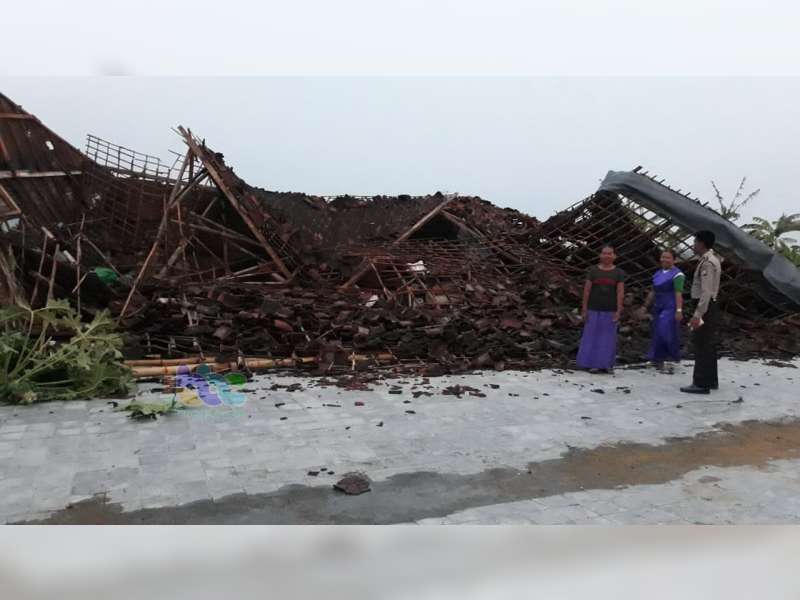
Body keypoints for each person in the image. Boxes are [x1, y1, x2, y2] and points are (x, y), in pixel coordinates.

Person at [680, 230, 722, 394]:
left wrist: (698, 315)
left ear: (702, 243)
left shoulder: (707, 263)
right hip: (709, 305)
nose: (693, 245)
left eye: (695, 242)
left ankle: (701, 383)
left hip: (705, 306)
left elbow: (706, 292)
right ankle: (710, 380)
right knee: (708, 345)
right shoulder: (712, 260)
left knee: (702, 344)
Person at [577, 245, 626, 373]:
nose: (606, 256)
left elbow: (620, 293)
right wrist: (584, 309)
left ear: (614, 256)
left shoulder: (619, 273)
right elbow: (587, 291)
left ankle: (605, 364)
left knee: (607, 339)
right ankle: (589, 363)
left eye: (609, 253)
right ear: (600, 255)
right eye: (604, 253)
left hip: (610, 310)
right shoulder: (593, 271)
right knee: (591, 336)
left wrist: (618, 310)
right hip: (593, 309)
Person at [643, 249, 685, 370]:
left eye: (668, 257)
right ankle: (656, 358)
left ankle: (664, 357)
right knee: (656, 332)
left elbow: (678, 293)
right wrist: (645, 306)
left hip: (670, 306)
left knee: (664, 331)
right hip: (658, 306)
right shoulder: (657, 273)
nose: (664, 259)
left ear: (674, 259)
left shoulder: (678, 275)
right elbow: (653, 290)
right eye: (663, 257)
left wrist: (679, 310)